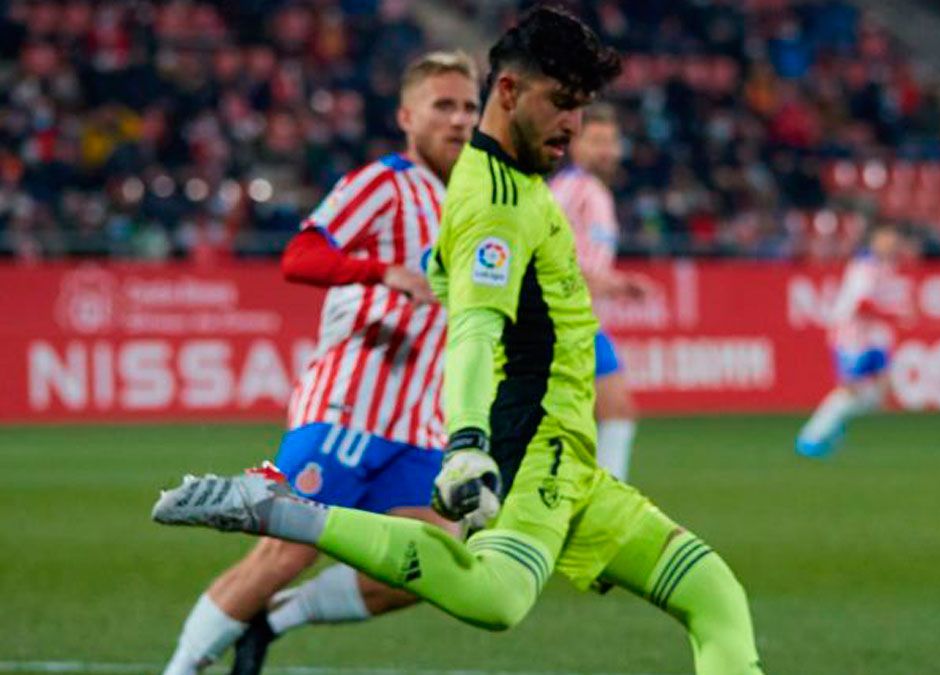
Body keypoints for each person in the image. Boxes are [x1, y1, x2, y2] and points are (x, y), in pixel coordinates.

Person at [153, 8, 765, 674]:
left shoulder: (501, 183)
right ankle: (284, 517)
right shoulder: (489, 201)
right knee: (496, 597)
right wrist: (469, 442)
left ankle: (284, 586)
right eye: (560, 104)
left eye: (581, 108)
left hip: (565, 456)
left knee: (712, 591)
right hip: (526, 444)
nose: (573, 126)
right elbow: (475, 323)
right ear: (509, 95)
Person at [162, 51, 480, 675]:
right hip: (349, 408)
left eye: (469, 106)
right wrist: (381, 271)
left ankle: (278, 620)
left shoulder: (475, 201)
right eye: (444, 106)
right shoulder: (384, 184)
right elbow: (301, 256)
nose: (460, 120)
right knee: (283, 554)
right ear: (407, 116)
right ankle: (178, 670)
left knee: (439, 566)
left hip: (420, 425)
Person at [548, 103, 650, 481]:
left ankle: (599, 497)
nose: (607, 150)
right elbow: (543, 251)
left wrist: (616, 283)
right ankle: (607, 499)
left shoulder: (595, 193)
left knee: (608, 413)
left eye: (611, 141)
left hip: (580, 320)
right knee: (615, 410)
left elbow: (586, 260)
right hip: (560, 319)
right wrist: (615, 284)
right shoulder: (571, 190)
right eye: (597, 141)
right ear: (575, 144)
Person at [797, 224, 908, 458]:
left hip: (871, 334)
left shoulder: (885, 266)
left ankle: (837, 417)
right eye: (888, 237)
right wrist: (894, 315)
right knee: (850, 391)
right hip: (852, 334)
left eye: (895, 238)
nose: (892, 242)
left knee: (879, 393)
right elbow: (861, 304)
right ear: (876, 239)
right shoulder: (865, 268)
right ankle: (811, 437)